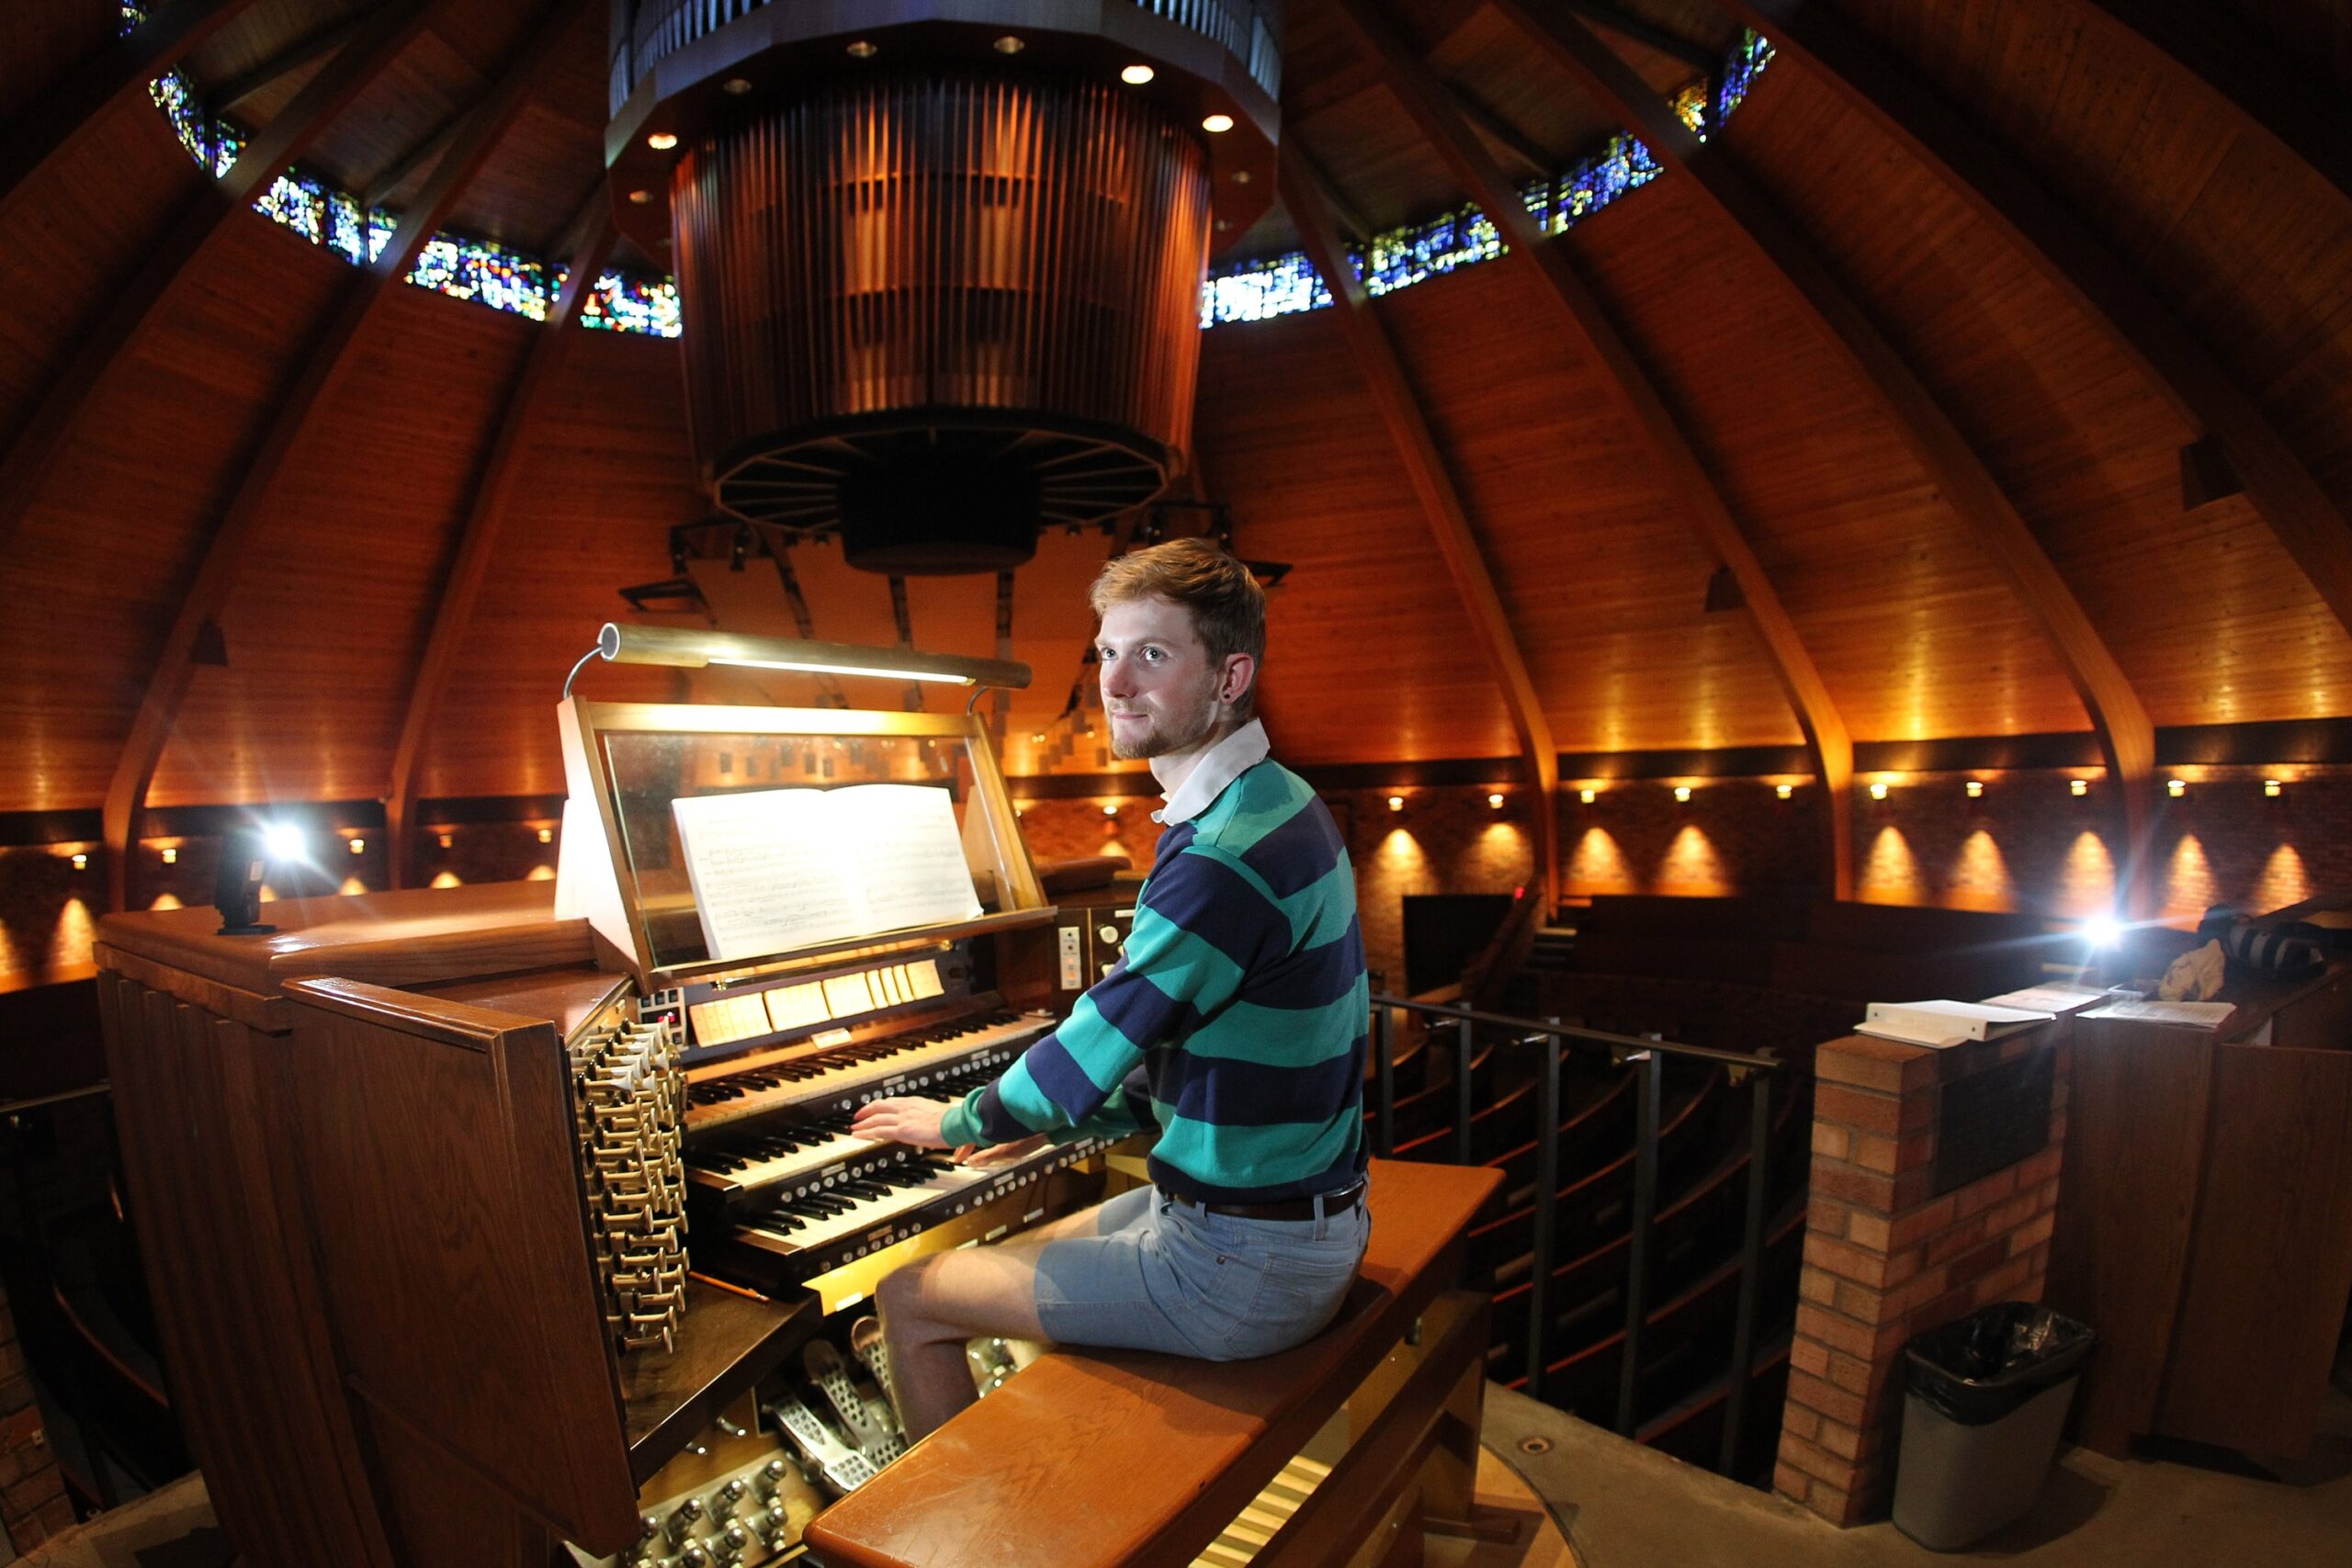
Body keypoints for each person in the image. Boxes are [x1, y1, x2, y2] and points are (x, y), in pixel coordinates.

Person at [850, 537, 1370, 1440]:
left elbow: (1098, 1040)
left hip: (1237, 1262)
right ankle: (1055, 1496)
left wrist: (963, 1120)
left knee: (909, 1296)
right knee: (1013, 1266)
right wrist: (1047, 1128)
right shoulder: (1274, 798)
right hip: (1295, 1221)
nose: (1115, 683)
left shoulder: (1218, 858)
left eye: (1153, 655)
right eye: (1106, 653)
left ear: (1230, 676)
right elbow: (1177, 1049)